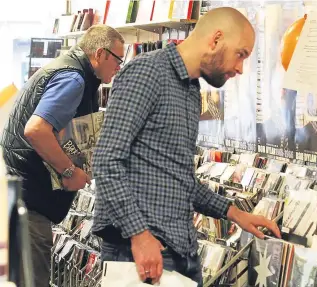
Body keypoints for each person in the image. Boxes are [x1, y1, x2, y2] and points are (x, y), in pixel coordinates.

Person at [93, 7, 281, 286]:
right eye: (240, 54)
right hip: (141, 256)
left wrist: (235, 213)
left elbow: (179, 179)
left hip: (180, 252)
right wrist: (139, 236)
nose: (241, 68)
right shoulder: (147, 72)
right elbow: (106, 161)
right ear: (216, 39)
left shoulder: (191, 91)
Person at [0, 25, 124, 287]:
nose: (119, 67)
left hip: (21, 196)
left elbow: (55, 132)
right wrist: (69, 171)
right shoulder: (74, 79)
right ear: (101, 54)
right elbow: (36, 130)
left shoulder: (67, 69)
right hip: (30, 204)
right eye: (118, 59)